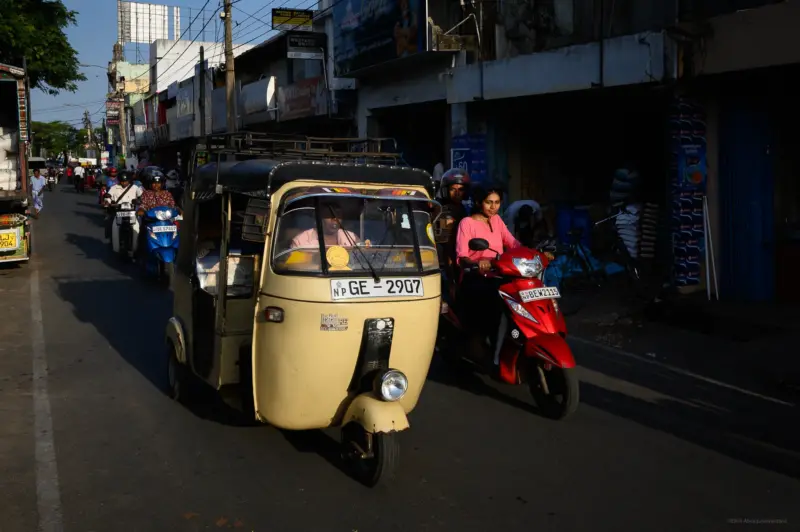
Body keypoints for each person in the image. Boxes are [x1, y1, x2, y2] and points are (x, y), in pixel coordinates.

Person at [455, 185, 522, 356]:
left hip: (499, 273)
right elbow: (462, 256)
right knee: (492, 305)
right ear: (478, 202)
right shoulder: (467, 223)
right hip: (475, 277)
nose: (493, 207)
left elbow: (513, 243)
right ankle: (485, 343)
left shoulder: (497, 220)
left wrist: (533, 252)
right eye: (489, 202)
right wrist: (478, 263)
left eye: (497, 202)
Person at [437, 168, 471, 271]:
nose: (457, 193)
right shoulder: (438, 208)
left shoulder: (461, 209)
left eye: (460, 190)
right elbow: (443, 239)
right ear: (446, 190)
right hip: (444, 259)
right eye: (453, 189)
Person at [290, 201, 359, 249]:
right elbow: (295, 266)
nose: (335, 219)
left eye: (338, 215)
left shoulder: (352, 238)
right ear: (318, 218)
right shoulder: (301, 242)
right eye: (329, 215)